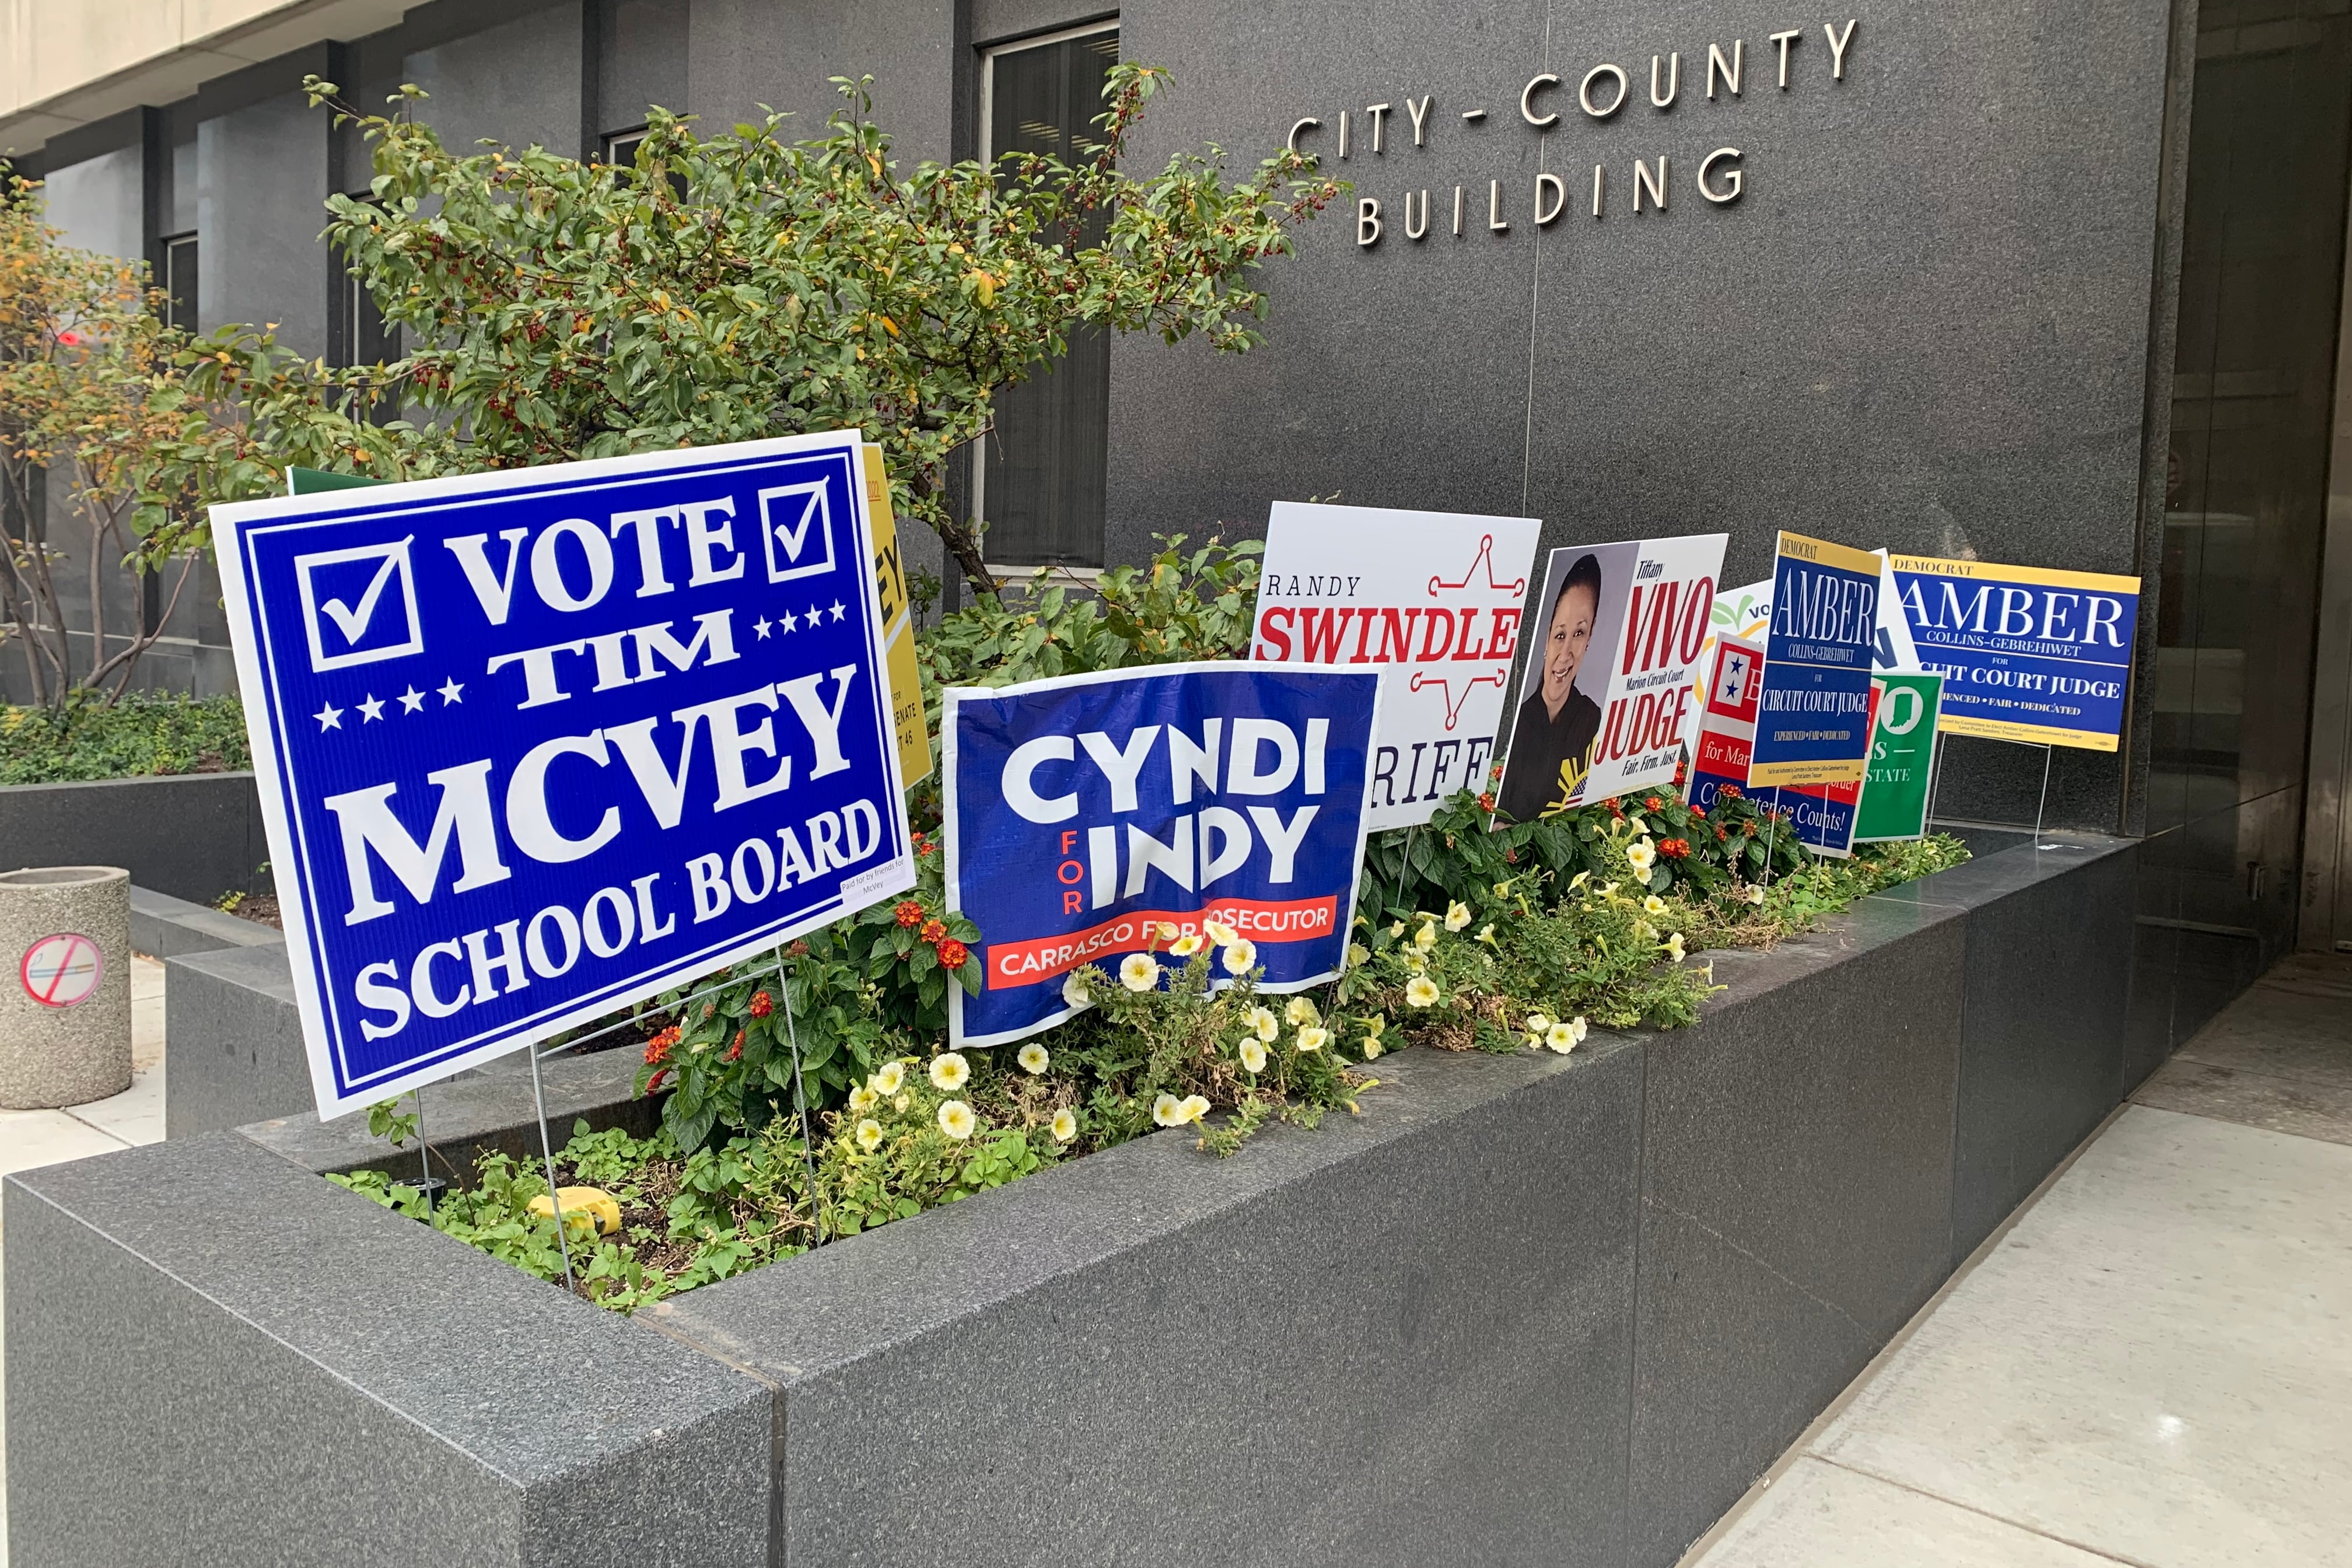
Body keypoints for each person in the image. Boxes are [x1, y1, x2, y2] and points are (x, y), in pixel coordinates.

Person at [1498, 554, 1604, 821]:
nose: (1566, 653)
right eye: (1560, 636)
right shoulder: (1516, 723)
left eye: (1579, 633)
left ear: (1591, 637)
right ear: (1546, 641)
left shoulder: (1590, 717)